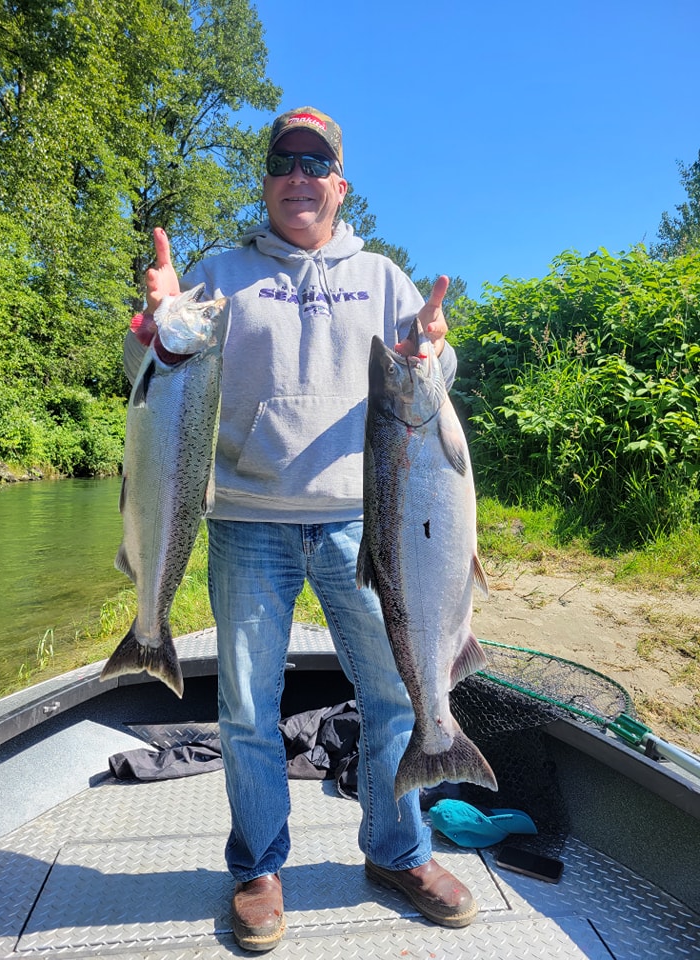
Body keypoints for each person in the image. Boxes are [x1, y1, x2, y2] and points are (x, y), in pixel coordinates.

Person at [126, 106, 477, 952]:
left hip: (368, 520)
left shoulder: (386, 278)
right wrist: (151, 330)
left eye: (315, 163)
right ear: (267, 179)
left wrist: (440, 348)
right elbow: (157, 386)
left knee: (398, 694)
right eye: (284, 161)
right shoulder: (219, 274)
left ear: (340, 183)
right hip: (247, 523)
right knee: (247, 708)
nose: (299, 176)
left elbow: (427, 375)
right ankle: (257, 866)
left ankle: (398, 850)